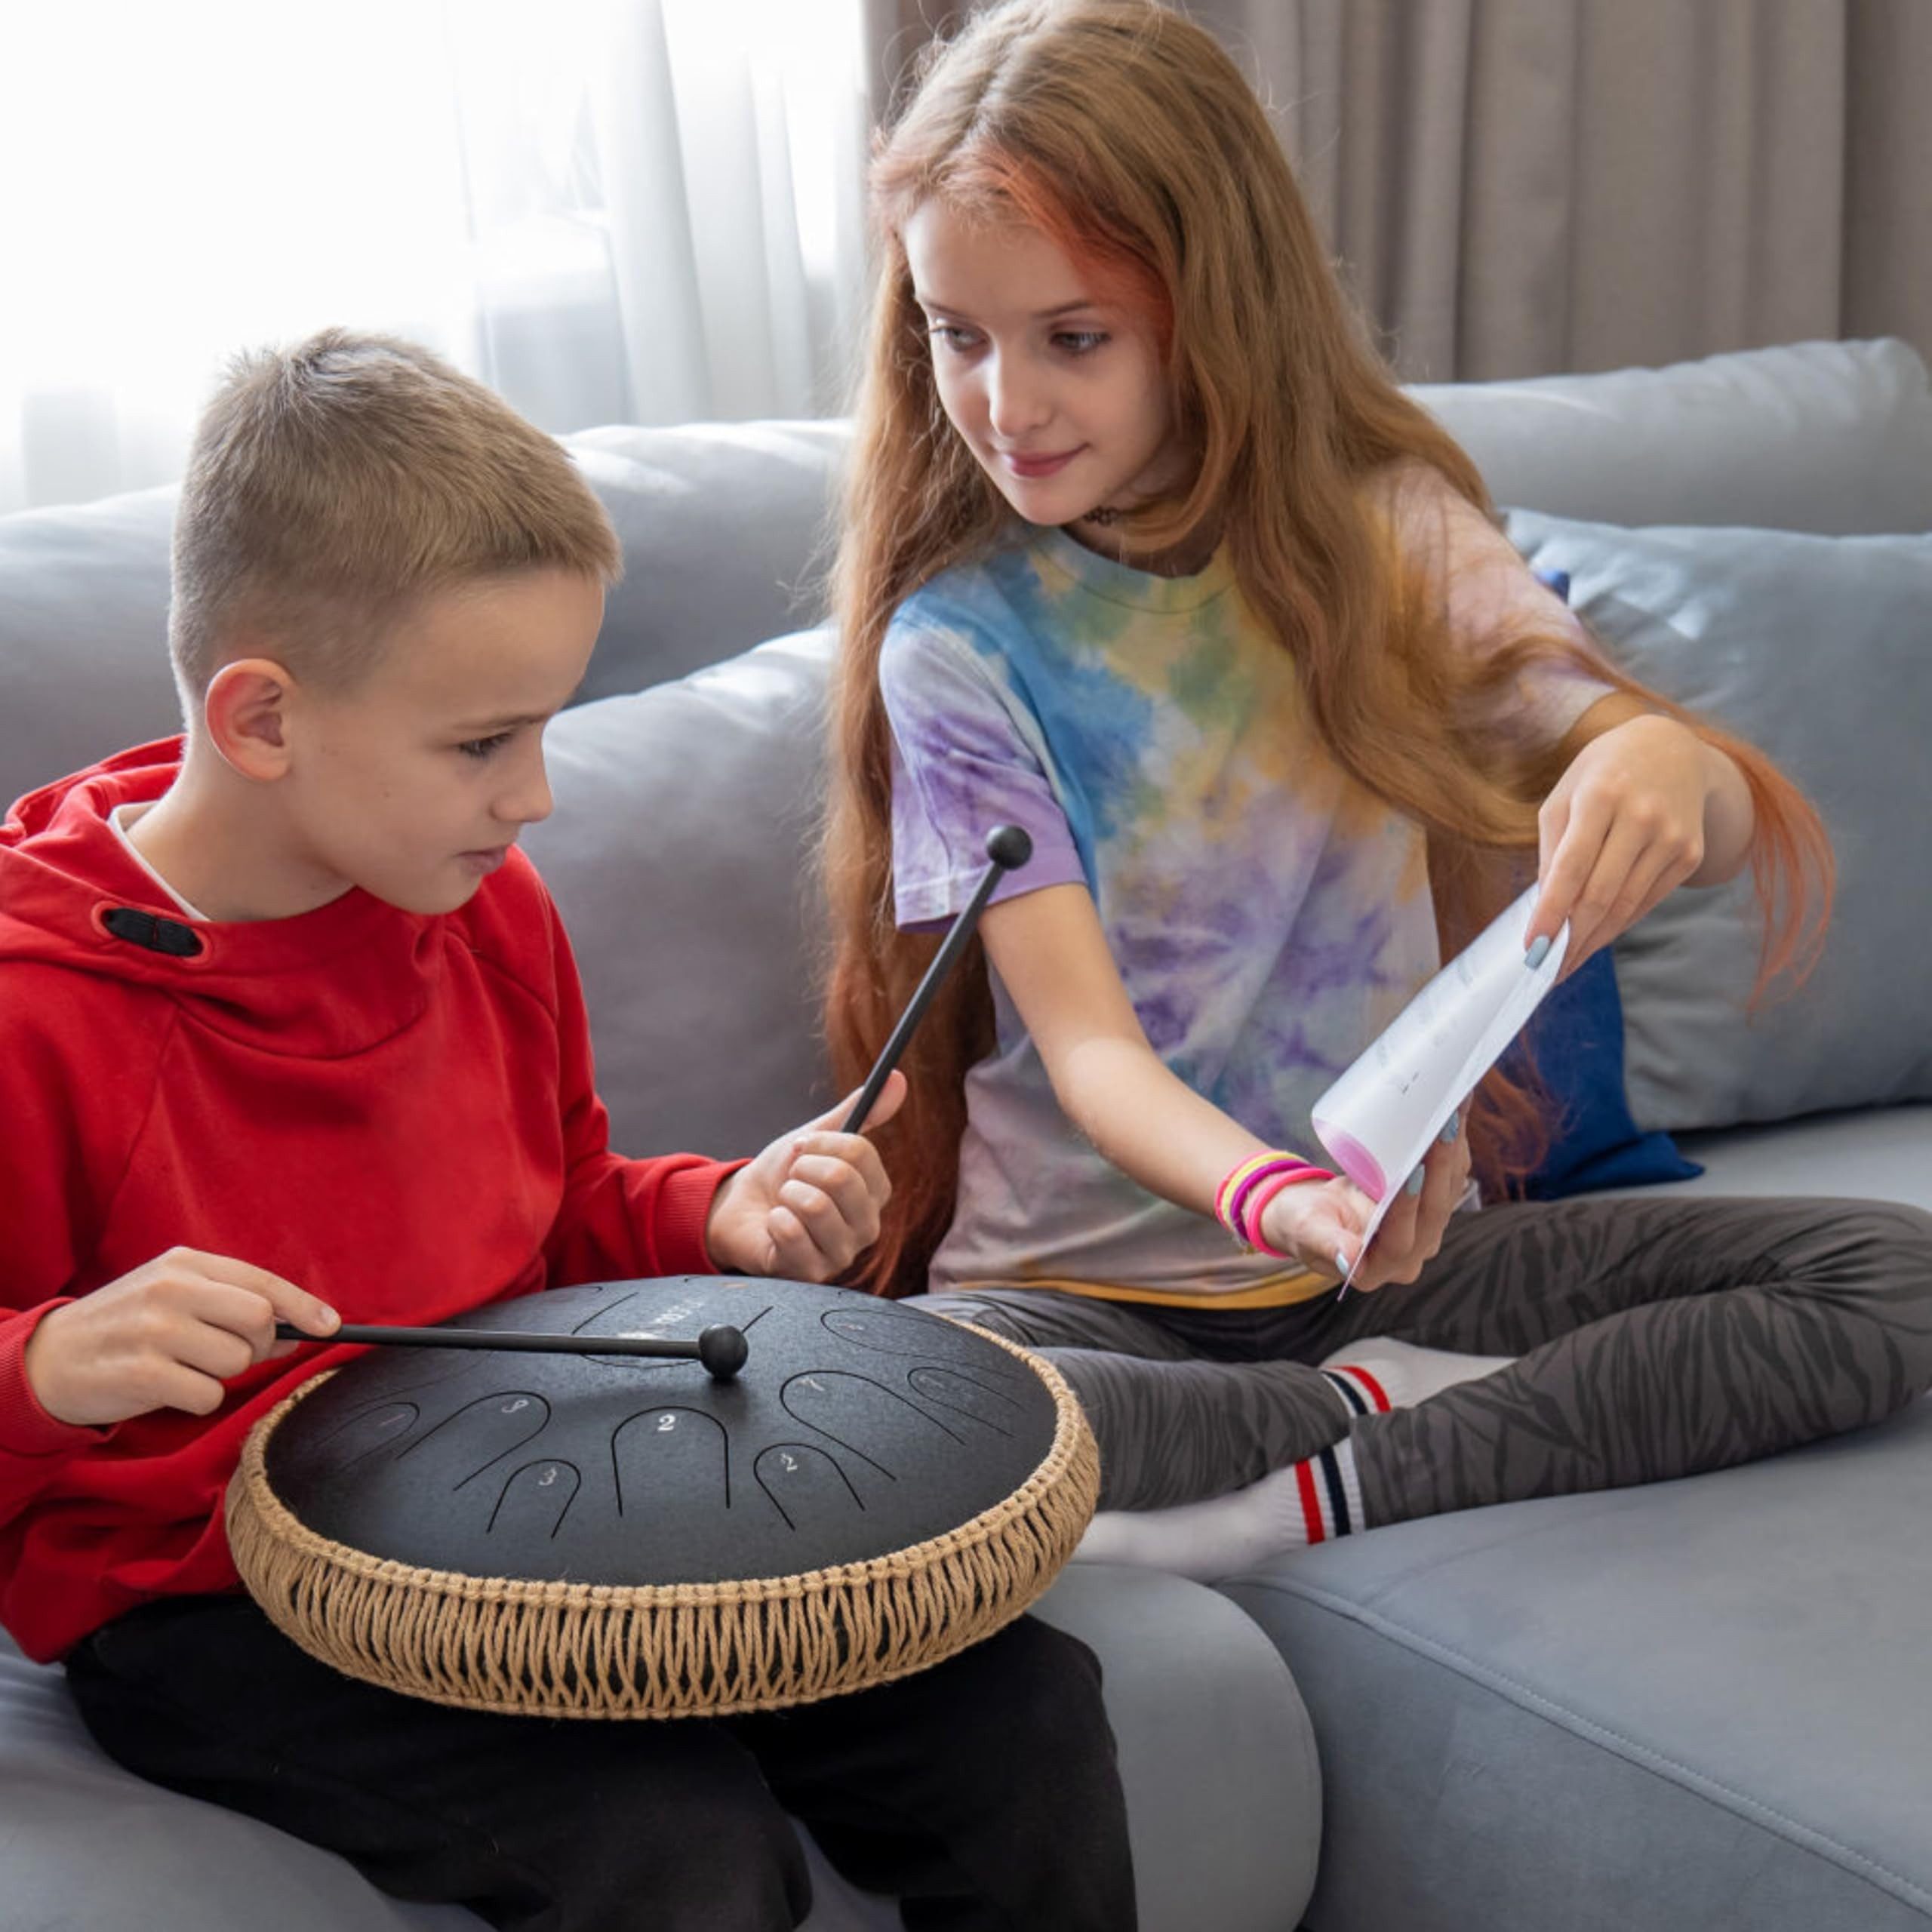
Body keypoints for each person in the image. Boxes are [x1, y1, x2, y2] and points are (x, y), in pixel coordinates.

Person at [0, 330, 1133, 1932]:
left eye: (545, 724)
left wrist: (715, 1213)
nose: (533, 794)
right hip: (225, 1593)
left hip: (535, 1484)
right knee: (677, 1854)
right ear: (260, 718)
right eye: (481, 742)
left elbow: (564, 1210)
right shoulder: (33, 1012)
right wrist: (49, 1365)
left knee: (1019, 1714)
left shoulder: (484, 905)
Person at [823, 0, 1932, 1583]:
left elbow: (1686, 796)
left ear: (1212, 313)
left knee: (1888, 1277)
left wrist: (1655, 760)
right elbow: (1083, 1051)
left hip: (1391, 1275)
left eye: (1073, 338)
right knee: (914, 1414)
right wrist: (1274, 1199)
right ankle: (1365, 1422)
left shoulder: (1389, 536)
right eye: (956, 332)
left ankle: (1309, 1474)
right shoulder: (956, 648)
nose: (1004, 402)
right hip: (1085, 1293)